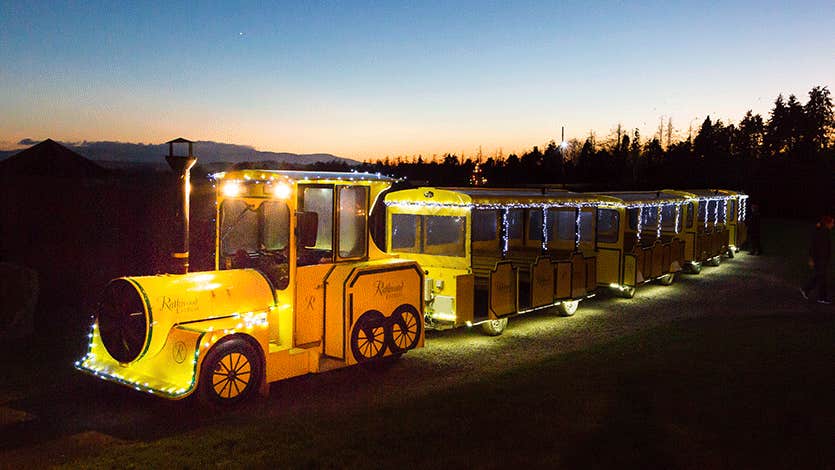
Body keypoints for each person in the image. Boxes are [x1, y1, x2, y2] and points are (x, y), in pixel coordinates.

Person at [800, 215, 833, 304]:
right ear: (827, 223)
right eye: (832, 223)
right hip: (820, 259)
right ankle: (821, 297)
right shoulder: (821, 231)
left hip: (822, 259)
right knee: (821, 278)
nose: (833, 225)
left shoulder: (824, 231)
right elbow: (813, 245)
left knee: (819, 276)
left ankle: (805, 289)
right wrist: (811, 258)